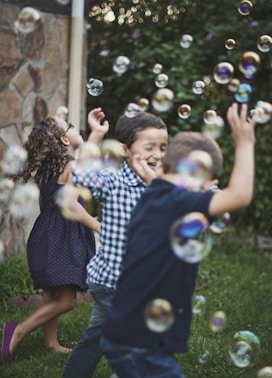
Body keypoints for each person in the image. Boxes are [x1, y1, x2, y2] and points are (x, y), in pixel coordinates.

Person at [100, 102, 257, 378]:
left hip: (126, 332)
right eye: (210, 184)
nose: (208, 192)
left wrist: (154, 176)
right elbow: (241, 195)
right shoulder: (176, 201)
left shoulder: (155, 194)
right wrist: (244, 142)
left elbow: (161, 182)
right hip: (142, 343)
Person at [61, 111, 168, 378]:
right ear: (125, 150)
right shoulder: (115, 181)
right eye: (149, 147)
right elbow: (83, 174)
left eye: (163, 147)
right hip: (113, 283)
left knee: (95, 338)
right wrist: (96, 134)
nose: (157, 154)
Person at [1, 108, 108, 363]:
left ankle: (50, 342)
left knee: (52, 295)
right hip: (63, 236)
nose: (74, 126)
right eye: (70, 125)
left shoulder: (55, 166)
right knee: (67, 301)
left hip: (45, 234)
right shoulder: (70, 166)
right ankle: (17, 331)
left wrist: (97, 133)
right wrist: (98, 226)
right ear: (63, 140)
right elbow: (71, 205)